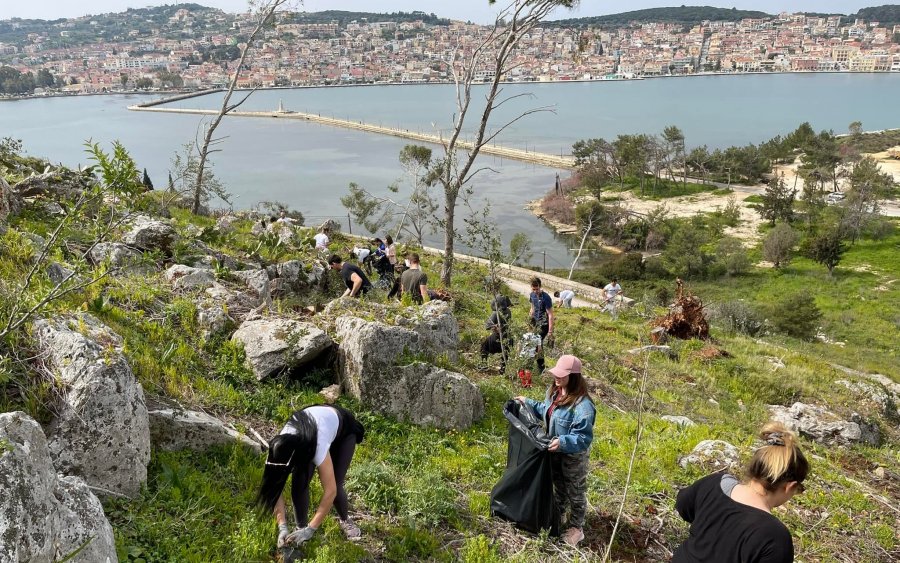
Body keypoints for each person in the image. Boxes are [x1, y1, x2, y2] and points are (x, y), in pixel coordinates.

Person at [673, 422, 810, 563]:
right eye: (798, 490)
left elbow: (683, 506)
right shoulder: (775, 537)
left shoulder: (713, 483)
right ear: (790, 486)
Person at [256, 405, 366, 548]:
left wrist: (311, 529)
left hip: (343, 428)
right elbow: (274, 489)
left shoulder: (317, 444)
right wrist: (282, 526)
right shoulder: (277, 449)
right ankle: (300, 527)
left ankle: (345, 519)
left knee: (337, 484)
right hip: (311, 425)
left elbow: (330, 490)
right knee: (299, 481)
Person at [515, 355, 595, 547]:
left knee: (575, 492)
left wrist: (563, 441)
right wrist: (527, 402)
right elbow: (546, 410)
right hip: (555, 452)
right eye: (556, 374)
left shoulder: (583, 406)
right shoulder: (554, 392)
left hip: (572, 457)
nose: (556, 378)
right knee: (558, 486)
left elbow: (583, 437)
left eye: (562, 375)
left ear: (574, 376)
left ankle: (577, 528)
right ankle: (557, 515)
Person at [480, 294, 513, 372]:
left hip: (498, 338)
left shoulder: (496, 313)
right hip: (508, 338)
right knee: (505, 352)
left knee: (484, 345)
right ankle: (503, 368)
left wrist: (495, 326)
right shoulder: (509, 311)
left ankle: (484, 364)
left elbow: (487, 326)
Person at [528, 277, 554, 373]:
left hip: (544, 324)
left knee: (538, 343)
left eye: (537, 289)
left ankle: (541, 367)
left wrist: (550, 332)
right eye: (533, 289)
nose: (535, 291)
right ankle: (538, 364)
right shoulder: (532, 295)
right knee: (533, 342)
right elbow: (532, 309)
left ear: (540, 286)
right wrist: (529, 322)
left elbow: (550, 315)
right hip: (535, 322)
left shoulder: (546, 298)